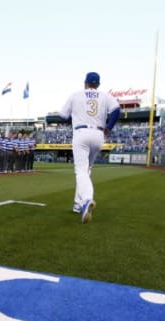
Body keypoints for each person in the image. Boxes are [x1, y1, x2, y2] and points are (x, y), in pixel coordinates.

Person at [58, 71, 120, 223]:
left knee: (80, 171)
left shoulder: (76, 95)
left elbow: (63, 116)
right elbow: (117, 110)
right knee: (87, 170)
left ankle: (86, 200)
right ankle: (78, 204)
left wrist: (75, 119)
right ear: (97, 84)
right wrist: (109, 127)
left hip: (81, 132)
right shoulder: (105, 96)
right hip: (98, 134)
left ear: (85, 83)